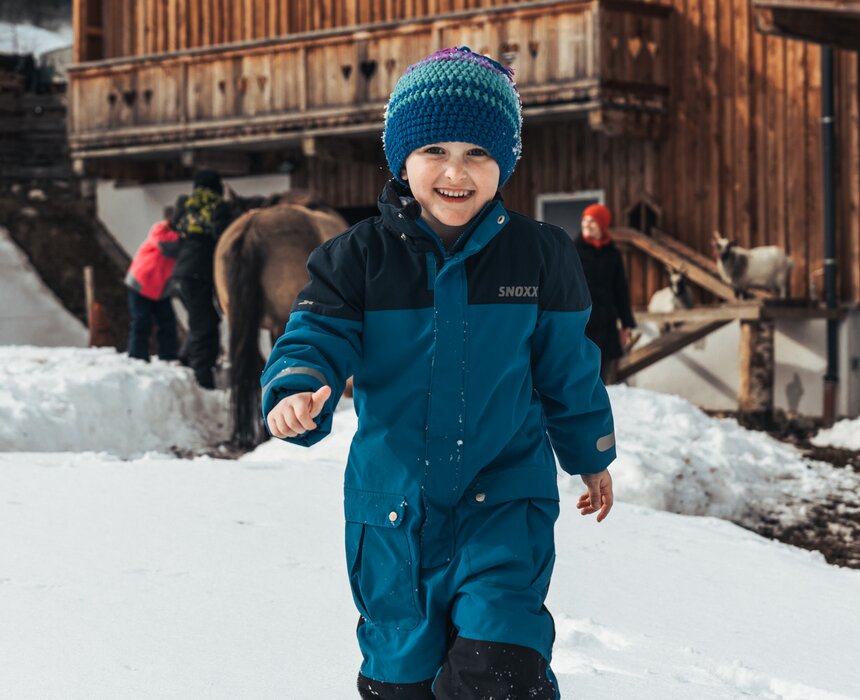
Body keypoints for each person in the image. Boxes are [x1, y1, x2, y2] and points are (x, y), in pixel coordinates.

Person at [261, 47, 616, 699]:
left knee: (498, 667)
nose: (456, 172)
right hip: (395, 512)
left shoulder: (540, 255)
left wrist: (590, 453)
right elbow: (316, 332)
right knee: (402, 679)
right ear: (402, 158)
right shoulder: (355, 258)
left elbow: (568, 366)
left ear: (503, 162)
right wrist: (295, 386)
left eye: (478, 153)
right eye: (434, 152)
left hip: (505, 498)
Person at [171, 170, 232, 389]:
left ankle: (186, 359)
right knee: (204, 325)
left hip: (181, 271)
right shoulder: (219, 208)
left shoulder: (185, 204)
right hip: (200, 272)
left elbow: (173, 227)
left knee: (204, 319)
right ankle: (201, 377)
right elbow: (225, 237)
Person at [574, 204, 636, 384]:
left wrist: (626, 324)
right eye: (585, 220)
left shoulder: (613, 254)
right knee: (580, 374)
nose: (586, 224)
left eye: (592, 221)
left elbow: (620, 289)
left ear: (602, 225)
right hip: (581, 321)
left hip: (606, 322)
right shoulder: (573, 249)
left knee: (602, 374)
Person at [124, 207, 180, 362]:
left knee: (168, 324)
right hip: (141, 285)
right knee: (141, 321)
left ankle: (169, 357)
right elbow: (168, 246)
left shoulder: (179, 238)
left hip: (160, 289)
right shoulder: (160, 230)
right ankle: (137, 356)